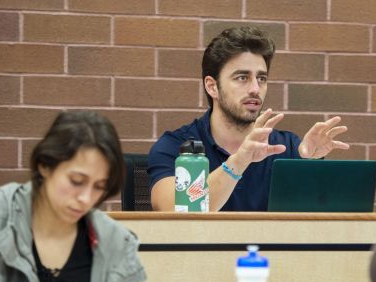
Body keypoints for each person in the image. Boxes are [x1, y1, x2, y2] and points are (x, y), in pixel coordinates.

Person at [149, 26, 349, 211]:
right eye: (242, 77)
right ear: (212, 87)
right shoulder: (176, 147)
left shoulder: (288, 148)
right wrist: (239, 161)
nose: (255, 89)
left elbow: (320, 228)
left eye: (261, 78)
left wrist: (312, 166)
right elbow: (171, 209)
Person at [0, 111, 146, 282]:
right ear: (45, 166)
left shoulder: (116, 241)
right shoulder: (1, 214)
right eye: (76, 181)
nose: (86, 199)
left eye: (99, 187)